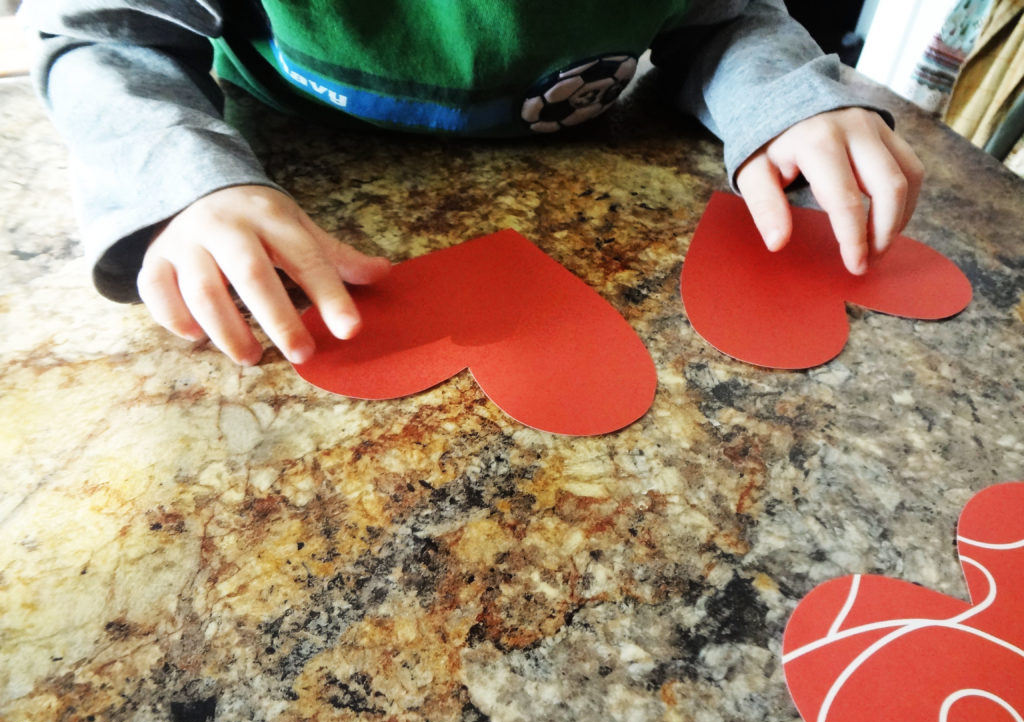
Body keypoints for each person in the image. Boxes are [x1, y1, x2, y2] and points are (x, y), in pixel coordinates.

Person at [20, 0, 924, 366]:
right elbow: (101, 38)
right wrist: (183, 186)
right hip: (296, 156)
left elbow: (722, 19)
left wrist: (787, 100)